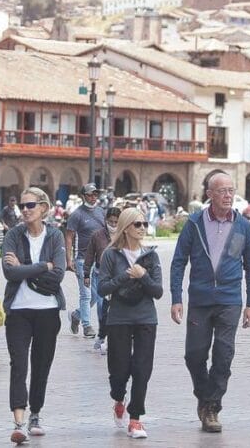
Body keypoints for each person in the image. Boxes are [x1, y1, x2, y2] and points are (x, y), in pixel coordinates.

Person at [170, 172, 250, 433]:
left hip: (230, 300)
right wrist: (176, 298)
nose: (228, 195)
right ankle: (204, 394)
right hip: (200, 298)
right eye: (222, 191)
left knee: (223, 354)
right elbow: (178, 262)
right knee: (194, 355)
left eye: (231, 190)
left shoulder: (243, 226)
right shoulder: (194, 223)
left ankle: (212, 408)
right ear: (209, 194)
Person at [1, 187, 67, 444]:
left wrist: (24, 268)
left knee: (41, 365)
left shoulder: (55, 236)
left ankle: (35, 414)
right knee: (19, 364)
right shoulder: (14, 235)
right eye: (22, 206)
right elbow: (10, 273)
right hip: (18, 310)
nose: (25, 210)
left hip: (48, 311)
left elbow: (59, 273)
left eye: (30, 206)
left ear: (44, 208)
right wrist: (42, 266)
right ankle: (18, 422)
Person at [97, 207, 164, 439]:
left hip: (146, 317)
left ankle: (135, 419)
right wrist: (126, 275)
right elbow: (102, 288)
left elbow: (158, 291)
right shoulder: (110, 255)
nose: (143, 228)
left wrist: (143, 276)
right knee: (119, 369)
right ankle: (118, 397)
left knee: (142, 369)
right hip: (119, 318)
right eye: (137, 224)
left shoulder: (151, 255)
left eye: (145, 224)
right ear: (125, 228)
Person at [65, 183, 106, 338]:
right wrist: (69, 260)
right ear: (83, 196)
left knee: (97, 295)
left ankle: (76, 315)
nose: (93, 197)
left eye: (95, 194)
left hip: (99, 261)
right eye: (90, 194)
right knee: (86, 295)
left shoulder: (101, 212)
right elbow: (69, 237)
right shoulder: (77, 215)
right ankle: (87, 326)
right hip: (82, 260)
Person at [85, 206, 123, 354]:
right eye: (110, 221)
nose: (113, 225)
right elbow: (89, 255)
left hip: (119, 276)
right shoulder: (97, 235)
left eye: (116, 222)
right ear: (106, 220)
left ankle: (115, 337)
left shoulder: (124, 234)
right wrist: (86, 274)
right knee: (102, 307)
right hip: (102, 275)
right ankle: (102, 336)